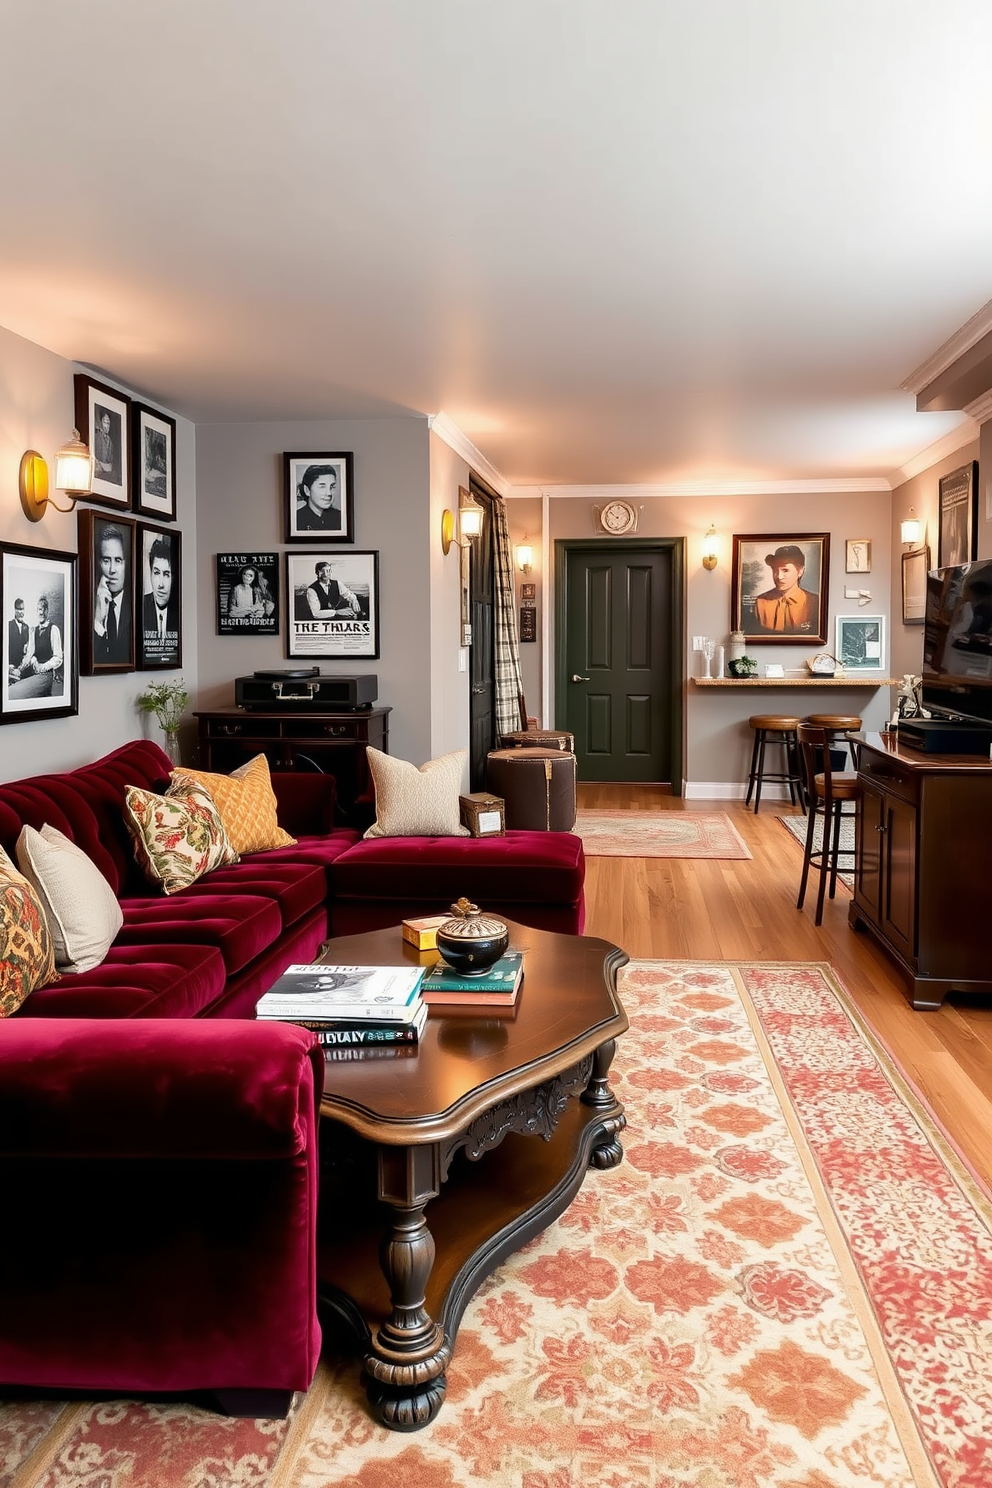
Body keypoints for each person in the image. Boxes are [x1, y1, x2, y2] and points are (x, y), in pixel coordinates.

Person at [753, 545, 820, 634]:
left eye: (785, 570)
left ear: (800, 571)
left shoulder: (814, 602)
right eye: (775, 570)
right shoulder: (761, 602)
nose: (779, 576)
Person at [93, 523, 131, 664]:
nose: (112, 569)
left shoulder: (138, 606)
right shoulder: (91, 604)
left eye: (118, 560)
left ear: (126, 564)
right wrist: (98, 622)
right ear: (99, 563)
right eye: (106, 560)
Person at [17, 596, 62, 697]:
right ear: (36, 611)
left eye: (44, 609)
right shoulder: (34, 630)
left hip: (47, 675)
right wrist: (20, 668)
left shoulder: (54, 629)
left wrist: (42, 667)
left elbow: (58, 658)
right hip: (34, 672)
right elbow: (29, 654)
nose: (41, 612)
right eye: (39, 609)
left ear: (47, 610)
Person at [141, 536, 179, 642]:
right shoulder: (140, 607)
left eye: (166, 574)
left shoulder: (180, 611)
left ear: (173, 578)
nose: (160, 584)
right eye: (156, 573)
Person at [294, 464, 342, 532]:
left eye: (332, 487)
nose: (329, 493)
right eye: (322, 486)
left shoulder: (340, 517)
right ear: (307, 490)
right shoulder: (296, 519)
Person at [93, 408, 119, 483]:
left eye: (108, 423)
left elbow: (110, 460)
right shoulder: (97, 436)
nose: (106, 426)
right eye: (104, 422)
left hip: (107, 471)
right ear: (100, 422)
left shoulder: (109, 440)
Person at [7, 598, 29, 679]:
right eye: (18, 609)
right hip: (10, 667)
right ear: (14, 610)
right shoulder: (8, 626)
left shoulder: (26, 628)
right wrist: (9, 667)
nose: (20, 612)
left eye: (22, 609)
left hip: (22, 669)